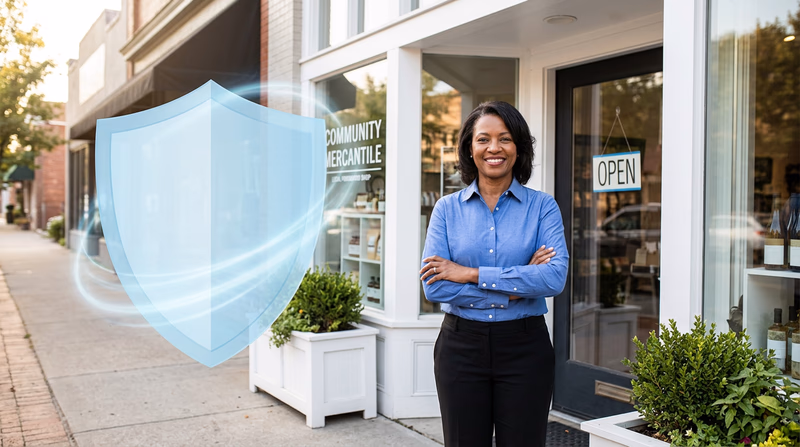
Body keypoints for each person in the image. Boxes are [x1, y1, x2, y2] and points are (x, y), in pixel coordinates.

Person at [420, 101, 568, 447]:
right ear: (470, 149)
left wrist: (469, 273)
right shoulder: (446, 210)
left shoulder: (543, 207)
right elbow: (434, 287)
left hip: (524, 347)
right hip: (461, 346)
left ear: (518, 148)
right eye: (483, 139)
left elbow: (554, 278)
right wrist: (517, 287)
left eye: (504, 139)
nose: (494, 148)